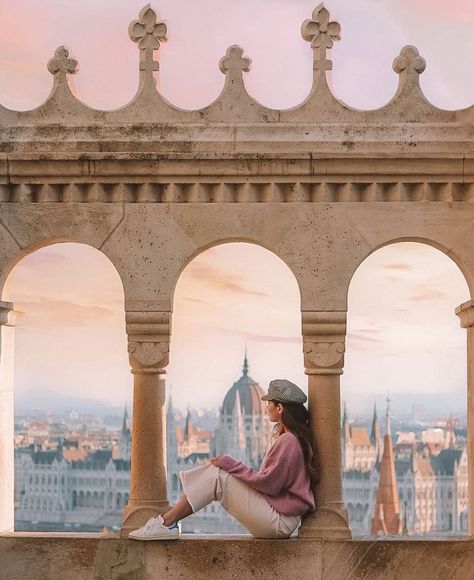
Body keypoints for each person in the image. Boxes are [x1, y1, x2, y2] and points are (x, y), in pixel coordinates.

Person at [129, 379, 317, 540]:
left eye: (269, 403)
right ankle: (169, 519)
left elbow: (269, 483)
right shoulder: (292, 438)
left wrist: (231, 464)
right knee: (216, 472)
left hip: (278, 521)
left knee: (217, 475)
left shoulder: (289, 441)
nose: (266, 407)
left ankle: (167, 522)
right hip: (281, 517)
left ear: (280, 408)